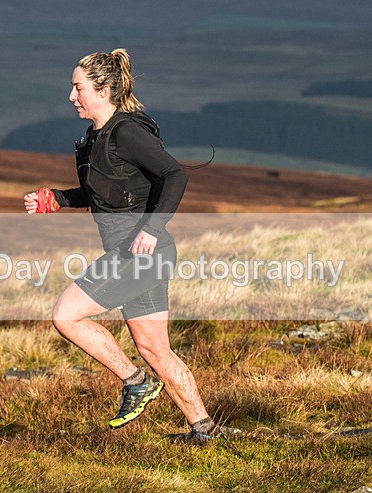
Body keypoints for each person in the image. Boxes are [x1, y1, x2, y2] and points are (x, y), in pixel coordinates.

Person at [24, 49, 239, 443]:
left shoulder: (126, 132)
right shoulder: (95, 139)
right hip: (141, 256)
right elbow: (102, 192)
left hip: (141, 254)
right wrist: (55, 198)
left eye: (78, 88)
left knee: (66, 316)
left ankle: (135, 382)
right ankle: (204, 429)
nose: (72, 97)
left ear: (103, 90)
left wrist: (152, 229)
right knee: (155, 349)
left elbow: (175, 175)